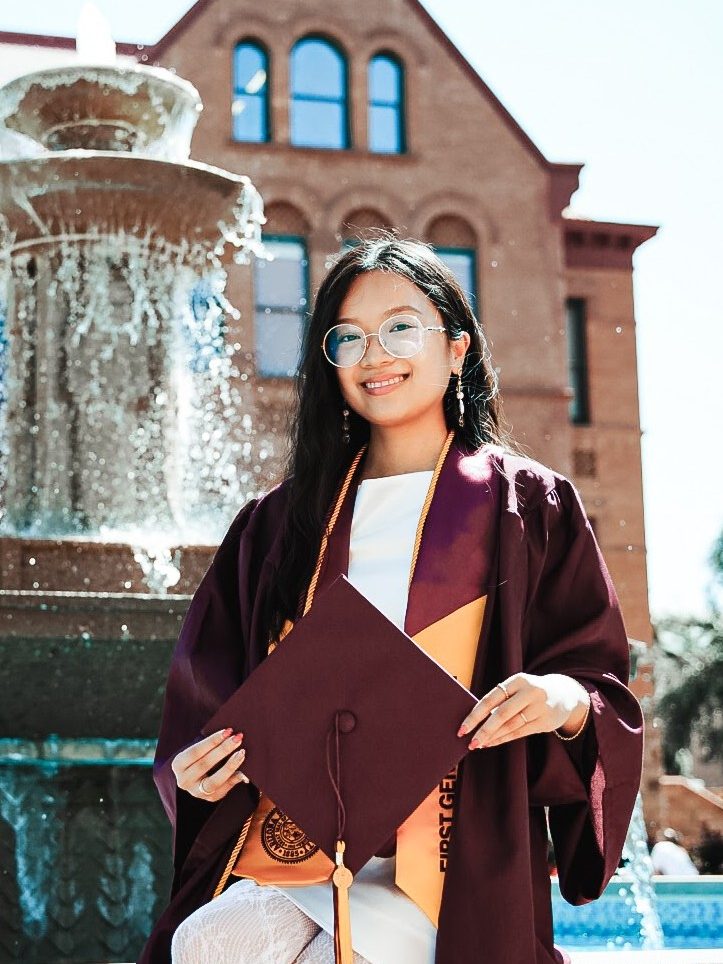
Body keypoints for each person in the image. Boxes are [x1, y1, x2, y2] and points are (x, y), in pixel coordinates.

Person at [140, 236, 644, 964]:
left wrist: (561, 700)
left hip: (451, 850)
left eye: (401, 328)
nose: (374, 355)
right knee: (206, 941)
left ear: (456, 348)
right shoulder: (282, 523)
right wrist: (196, 770)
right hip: (303, 845)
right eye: (347, 337)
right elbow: (209, 695)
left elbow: (596, 682)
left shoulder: (524, 506)